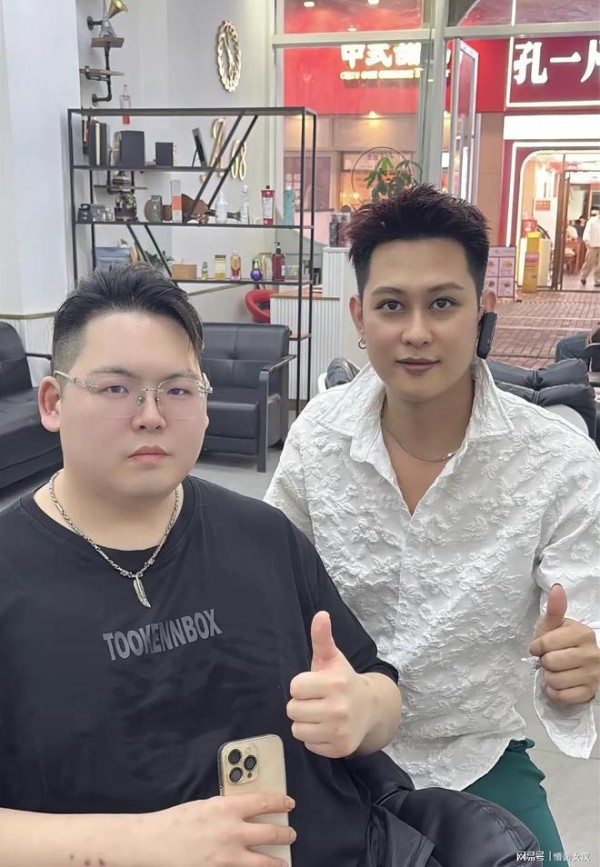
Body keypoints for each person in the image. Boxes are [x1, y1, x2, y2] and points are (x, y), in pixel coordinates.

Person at [0, 264, 406, 867]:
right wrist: (141, 845)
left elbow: (381, 693)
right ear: (54, 403)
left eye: (178, 390)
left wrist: (362, 711)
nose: (151, 415)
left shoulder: (265, 537)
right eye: (116, 389)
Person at [265, 185, 600, 866]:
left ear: (482, 312)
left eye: (443, 303)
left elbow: (583, 616)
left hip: (475, 754)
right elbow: (265, 577)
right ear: (360, 317)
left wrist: (579, 665)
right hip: (331, 748)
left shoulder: (557, 459)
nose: (416, 331)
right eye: (392, 305)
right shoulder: (318, 436)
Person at [580, 210, 600, 287]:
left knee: (599, 265)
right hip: (592, 244)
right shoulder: (592, 221)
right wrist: (587, 240)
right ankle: (583, 276)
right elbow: (587, 231)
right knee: (589, 262)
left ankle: (597, 280)